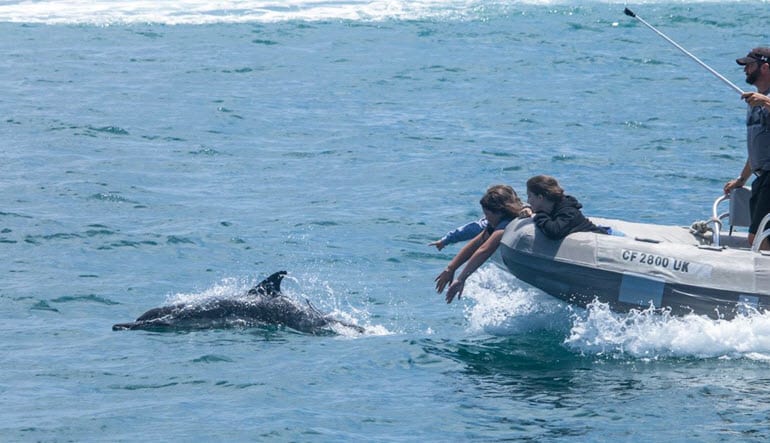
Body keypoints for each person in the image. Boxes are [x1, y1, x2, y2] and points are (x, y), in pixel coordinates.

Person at [434, 185, 527, 303]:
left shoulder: (505, 227)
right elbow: (476, 243)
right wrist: (450, 268)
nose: (486, 219)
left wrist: (461, 279)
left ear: (499, 212)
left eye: (487, 215)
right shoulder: (497, 223)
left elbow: (484, 249)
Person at [723, 47, 770, 250]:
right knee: (760, 236)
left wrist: (767, 101)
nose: (745, 71)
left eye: (750, 66)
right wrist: (742, 179)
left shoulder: (763, 100)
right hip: (763, 176)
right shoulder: (754, 101)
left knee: (757, 237)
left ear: (765, 68)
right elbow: (756, 147)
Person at [526, 175, 608, 240]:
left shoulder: (569, 212)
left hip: (602, 238)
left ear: (540, 198)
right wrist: (529, 210)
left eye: (530, 196)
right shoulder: (552, 207)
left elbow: (554, 232)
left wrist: (539, 214)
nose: (528, 201)